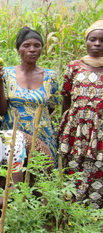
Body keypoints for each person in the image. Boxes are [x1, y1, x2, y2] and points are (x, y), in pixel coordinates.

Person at [0, 27, 59, 157]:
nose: (32, 49)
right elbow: (1, 111)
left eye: (37, 46)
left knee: (41, 171)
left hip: (42, 135)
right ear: (18, 50)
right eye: (26, 45)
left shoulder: (51, 76)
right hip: (13, 136)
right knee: (12, 172)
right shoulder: (6, 74)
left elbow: (50, 108)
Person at [58, 20, 103, 209]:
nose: (97, 44)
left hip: (99, 131)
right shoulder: (74, 67)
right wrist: (64, 123)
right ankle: (70, 209)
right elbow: (66, 98)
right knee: (73, 167)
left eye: (102, 40)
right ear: (86, 41)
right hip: (75, 129)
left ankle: (93, 213)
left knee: (98, 168)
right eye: (92, 39)